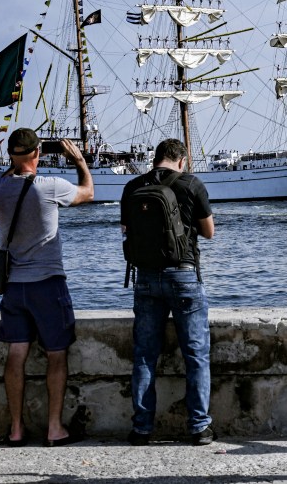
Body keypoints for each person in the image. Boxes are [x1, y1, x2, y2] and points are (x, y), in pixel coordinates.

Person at [0, 128, 94, 447]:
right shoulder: (50, 187)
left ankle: (17, 429)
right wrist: (79, 161)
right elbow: (87, 193)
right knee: (56, 355)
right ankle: (54, 428)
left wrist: (17, 160)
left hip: (13, 287)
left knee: (16, 354)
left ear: (10, 155)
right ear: (39, 154)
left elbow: (10, 177)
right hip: (47, 284)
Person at [121, 138, 216, 446]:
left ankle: (142, 429)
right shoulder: (191, 184)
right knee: (196, 354)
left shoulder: (132, 188)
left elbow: (127, 233)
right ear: (180, 160)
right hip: (184, 275)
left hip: (146, 277)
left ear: (156, 159)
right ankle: (199, 427)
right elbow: (209, 232)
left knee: (145, 355)